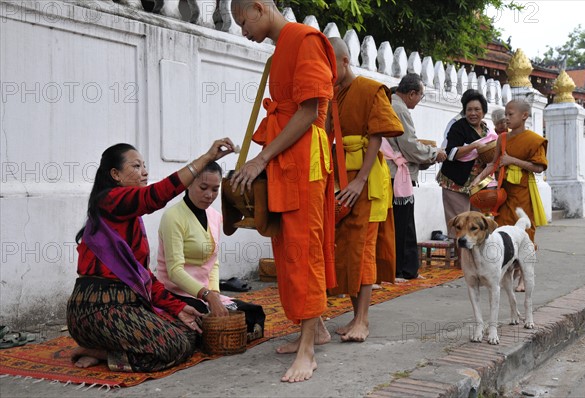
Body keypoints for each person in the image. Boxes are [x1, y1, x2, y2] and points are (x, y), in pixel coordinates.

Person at [229, 0, 337, 383]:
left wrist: (261, 159)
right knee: (287, 245)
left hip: (304, 159)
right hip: (286, 159)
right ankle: (317, 328)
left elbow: (310, 110)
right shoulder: (282, 48)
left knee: (302, 248)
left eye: (243, 22)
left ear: (259, 7)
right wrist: (261, 159)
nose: (243, 31)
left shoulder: (304, 39)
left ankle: (308, 350)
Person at [66, 139, 235, 372]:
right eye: (136, 166)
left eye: (144, 165)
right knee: (173, 347)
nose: (144, 172)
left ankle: (105, 350)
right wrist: (205, 159)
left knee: (190, 331)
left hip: (128, 306)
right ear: (115, 174)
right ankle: (100, 351)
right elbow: (154, 196)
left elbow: (143, 277)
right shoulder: (110, 201)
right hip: (98, 310)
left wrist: (177, 307)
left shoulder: (130, 217)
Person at [328, 37, 404, 342]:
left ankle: (363, 320)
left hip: (368, 180)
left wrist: (359, 179)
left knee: (364, 249)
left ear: (345, 61)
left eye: (330, 63)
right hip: (341, 179)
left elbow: (376, 135)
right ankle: (354, 316)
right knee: (346, 249)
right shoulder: (332, 94)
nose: (326, 71)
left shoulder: (371, 89)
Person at [156, 161, 265, 341]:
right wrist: (207, 296)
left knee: (254, 313)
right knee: (201, 318)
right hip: (176, 292)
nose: (209, 195)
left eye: (215, 190)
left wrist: (214, 293)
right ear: (189, 182)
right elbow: (174, 272)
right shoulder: (173, 217)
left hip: (205, 294)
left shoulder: (214, 217)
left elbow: (213, 261)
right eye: (203, 187)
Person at [472, 100, 547, 291]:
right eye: (506, 113)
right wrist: (478, 179)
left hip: (524, 193)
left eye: (511, 114)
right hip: (504, 193)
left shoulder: (534, 139)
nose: (506, 117)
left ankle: (523, 277)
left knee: (526, 234)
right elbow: (493, 164)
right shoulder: (502, 138)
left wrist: (513, 160)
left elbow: (538, 167)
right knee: (503, 231)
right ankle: (505, 273)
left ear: (524, 116)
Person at [384, 73, 447, 281]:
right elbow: (409, 145)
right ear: (412, 93)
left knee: (404, 222)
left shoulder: (392, 103)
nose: (419, 101)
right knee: (401, 224)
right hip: (396, 173)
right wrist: (433, 153)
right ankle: (399, 270)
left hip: (396, 171)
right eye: (420, 96)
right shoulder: (399, 108)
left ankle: (407, 270)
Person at [437, 90, 497, 228]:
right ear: (464, 111)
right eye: (469, 110)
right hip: (455, 183)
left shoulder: (487, 130)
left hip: (477, 184)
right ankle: (458, 250)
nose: (473, 113)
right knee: (460, 224)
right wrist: (473, 146)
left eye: (477, 109)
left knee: (477, 225)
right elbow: (450, 153)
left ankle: (473, 250)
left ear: (484, 111)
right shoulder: (458, 126)